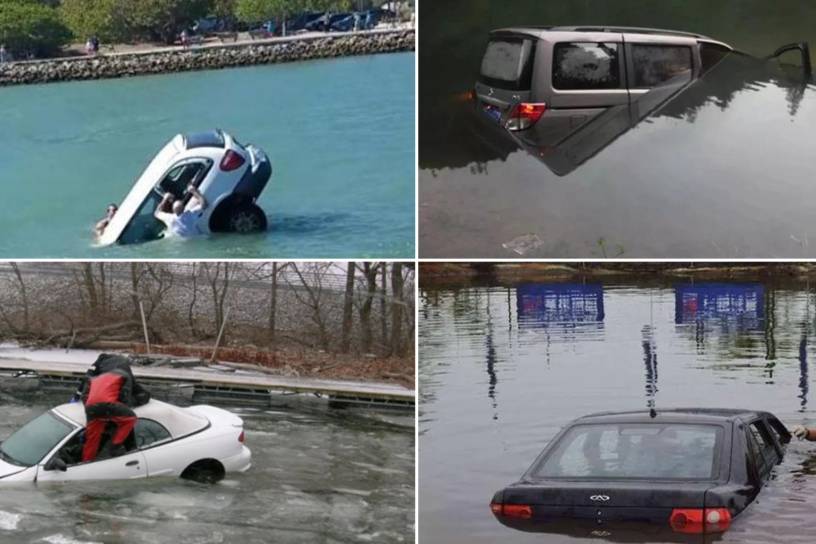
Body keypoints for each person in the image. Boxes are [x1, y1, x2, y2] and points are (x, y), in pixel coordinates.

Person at [78, 356, 150, 462]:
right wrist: (118, 410)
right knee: (130, 418)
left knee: (92, 439)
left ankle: (86, 462)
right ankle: (114, 447)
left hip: (91, 407)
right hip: (107, 404)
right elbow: (125, 398)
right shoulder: (124, 376)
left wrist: (92, 408)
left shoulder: (95, 378)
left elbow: (84, 395)